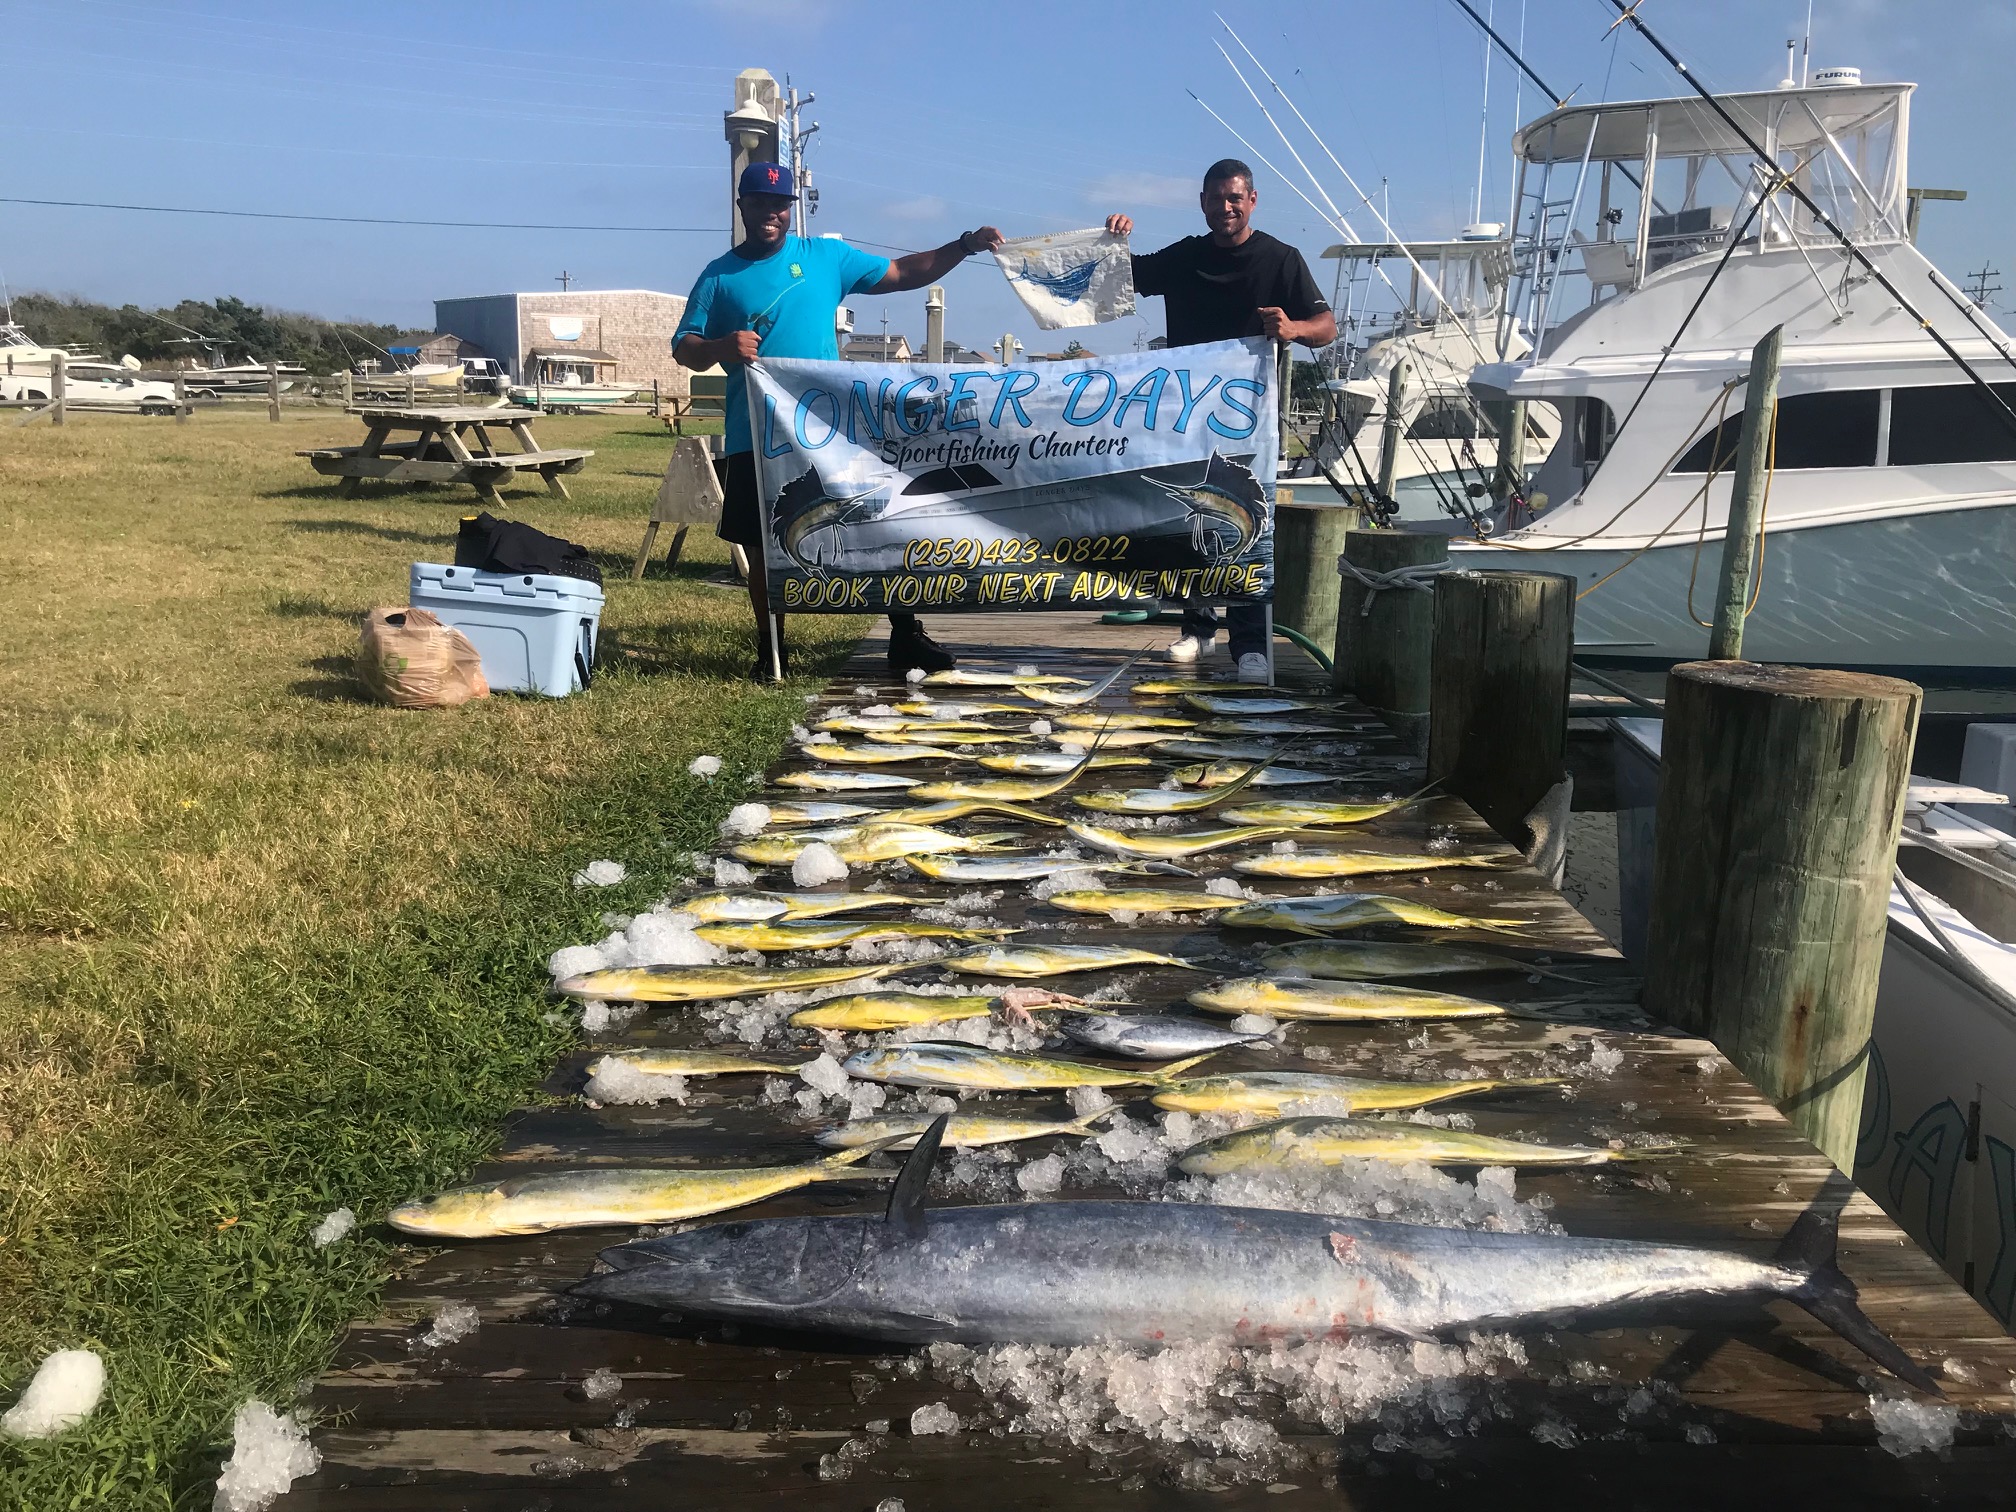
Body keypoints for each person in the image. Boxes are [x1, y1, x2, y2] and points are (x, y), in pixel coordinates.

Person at [674, 161, 1003, 679]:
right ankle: (771, 651)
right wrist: (721, 345)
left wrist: (964, 244)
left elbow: (904, 273)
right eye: (759, 202)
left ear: (791, 210)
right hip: (754, 436)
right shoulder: (718, 276)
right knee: (763, 545)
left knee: (878, 525)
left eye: (780, 205)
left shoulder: (826, 257)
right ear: (743, 206)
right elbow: (684, 348)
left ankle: (905, 634)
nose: (771, 213)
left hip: (828, 434)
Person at [1107, 159, 1337, 683]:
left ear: (1252, 200)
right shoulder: (1187, 255)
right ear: (1203, 202)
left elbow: (1327, 326)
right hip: (1186, 410)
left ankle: (1251, 642)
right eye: (1216, 198)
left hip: (1251, 417)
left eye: (1235, 198)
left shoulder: (1282, 259)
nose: (1226, 207)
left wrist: (1294, 327)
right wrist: (1113, 239)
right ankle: (1197, 628)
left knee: (1249, 523)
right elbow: (1124, 278)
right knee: (1191, 517)